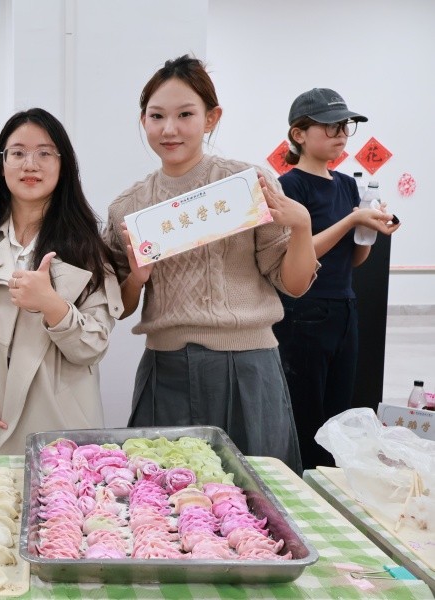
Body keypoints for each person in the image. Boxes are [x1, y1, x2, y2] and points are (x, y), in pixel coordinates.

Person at [104, 55, 319, 473]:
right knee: (163, 495)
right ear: (143, 121)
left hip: (248, 365)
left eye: (185, 114)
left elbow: (292, 284)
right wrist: (137, 278)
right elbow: (121, 307)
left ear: (211, 118)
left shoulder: (249, 184)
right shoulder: (127, 207)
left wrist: (303, 226)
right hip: (165, 369)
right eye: (156, 116)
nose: (169, 129)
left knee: (255, 493)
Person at [0, 108, 123, 456]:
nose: (30, 165)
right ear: (1, 164)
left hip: (59, 434)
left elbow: (92, 347)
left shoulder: (87, 248)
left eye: (44, 153)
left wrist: (52, 305)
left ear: (64, 165)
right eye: (18, 153)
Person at [272, 88, 400, 468]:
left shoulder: (346, 185)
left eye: (344, 126)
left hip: (344, 308)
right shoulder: (289, 186)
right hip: (303, 310)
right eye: (330, 127)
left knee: (338, 416)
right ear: (299, 134)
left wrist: (369, 229)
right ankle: (302, 484)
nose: (341, 134)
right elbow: (297, 254)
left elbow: (355, 259)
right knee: (305, 413)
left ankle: (329, 484)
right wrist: (352, 220)